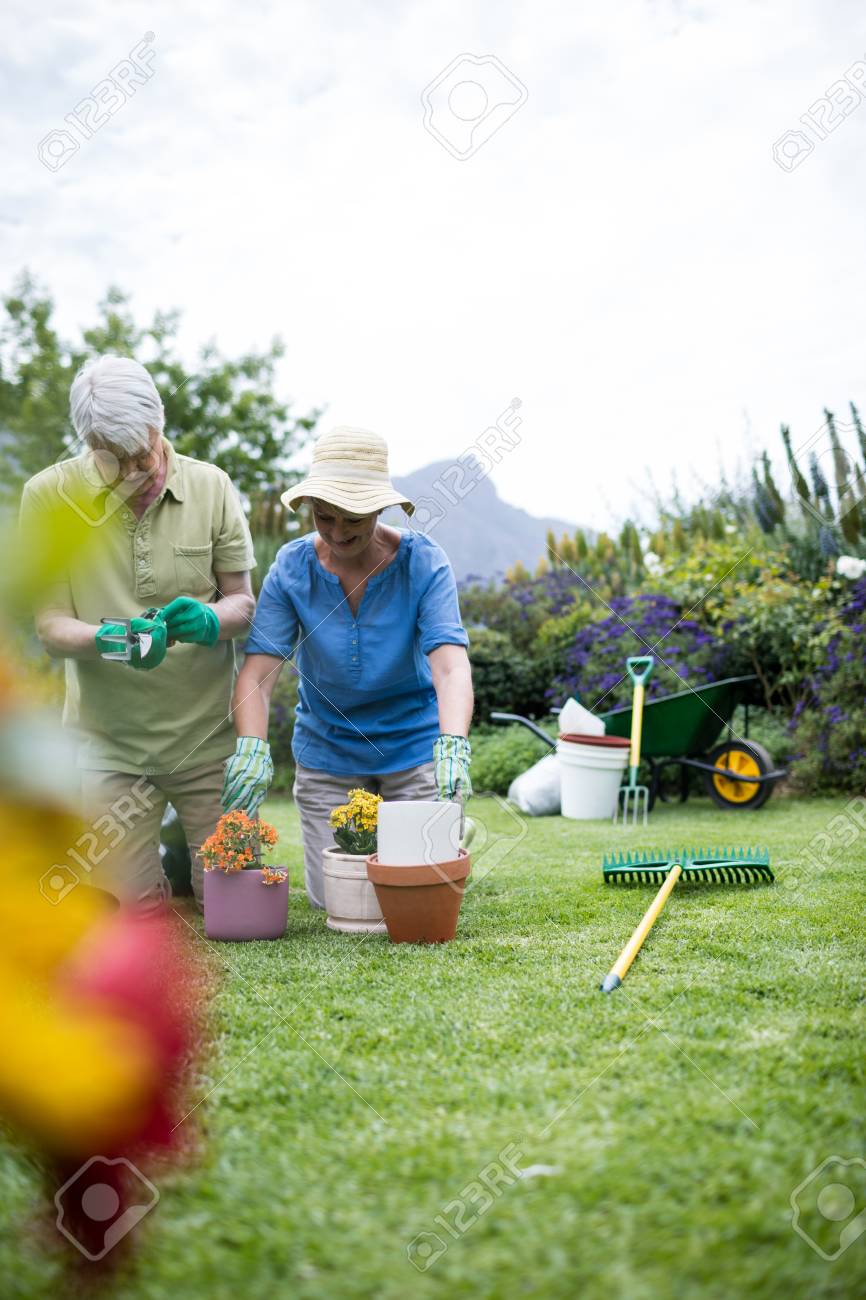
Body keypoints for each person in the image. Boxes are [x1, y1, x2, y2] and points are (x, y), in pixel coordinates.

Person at [20, 355, 256, 909]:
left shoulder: (213, 487)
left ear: (160, 422)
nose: (134, 472)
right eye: (115, 460)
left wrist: (208, 622)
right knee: (127, 915)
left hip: (206, 742)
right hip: (109, 747)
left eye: (143, 453)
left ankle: (188, 865)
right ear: (88, 442)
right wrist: (112, 639)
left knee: (234, 907)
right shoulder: (49, 496)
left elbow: (244, 604)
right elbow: (51, 626)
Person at [224, 425, 473, 909]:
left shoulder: (423, 563)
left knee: (419, 889)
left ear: (380, 507)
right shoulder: (292, 568)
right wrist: (251, 749)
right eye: (324, 517)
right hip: (328, 751)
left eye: (352, 519)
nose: (338, 533)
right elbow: (259, 673)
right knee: (338, 900)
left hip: (414, 747)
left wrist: (454, 741)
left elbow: (449, 666)